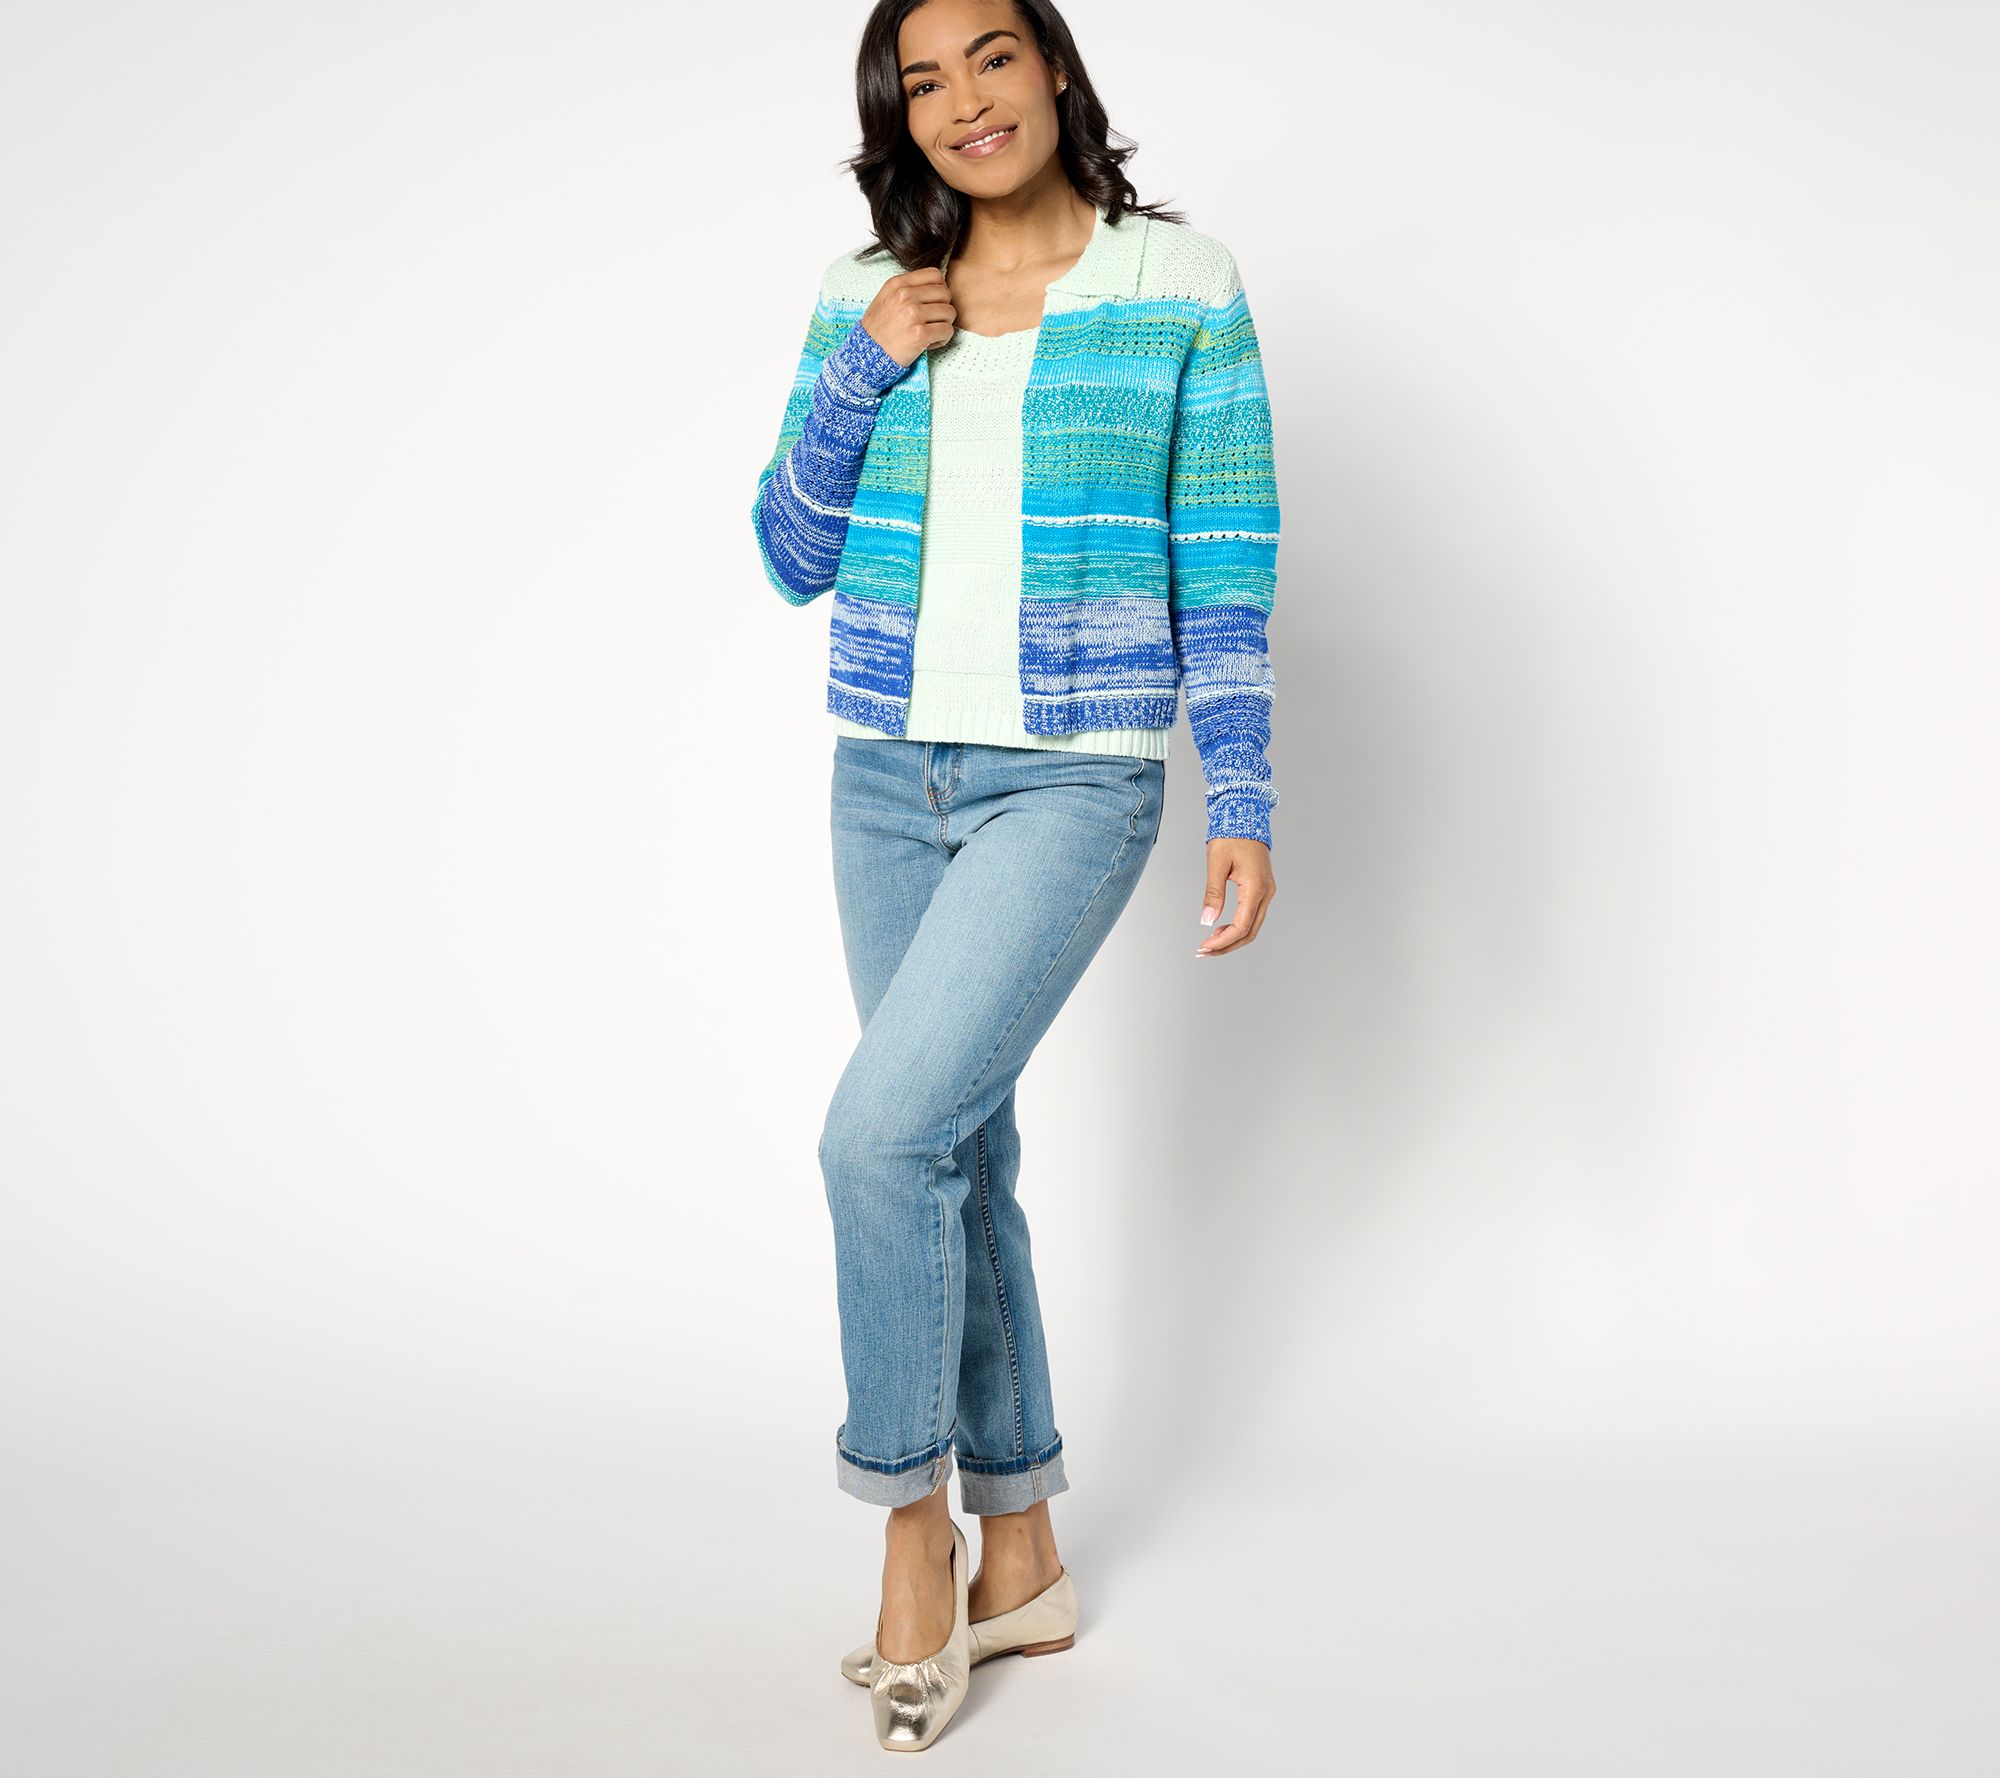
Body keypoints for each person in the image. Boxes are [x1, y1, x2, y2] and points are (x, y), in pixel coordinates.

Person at [749, 0, 1282, 1750]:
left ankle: (913, 1536)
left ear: (1051, 65)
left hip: (1074, 774)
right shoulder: (869, 294)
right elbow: (788, 555)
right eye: (923, 82)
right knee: (954, 1150)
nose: (964, 101)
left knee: (877, 1135)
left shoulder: (1178, 285)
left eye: (990, 57)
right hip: (885, 774)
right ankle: (1027, 1547)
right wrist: (862, 368)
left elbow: (1226, 557)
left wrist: (1242, 792)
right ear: (898, 116)